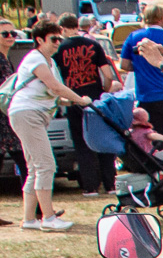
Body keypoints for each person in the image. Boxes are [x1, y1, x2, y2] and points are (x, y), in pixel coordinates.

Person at [8, 22, 93, 231]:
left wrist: (70, 101)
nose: (58, 43)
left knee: (35, 168)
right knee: (47, 165)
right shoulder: (35, 58)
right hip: (27, 114)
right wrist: (79, 99)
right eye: (54, 39)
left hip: (33, 114)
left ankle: (29, 219)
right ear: (39, 40)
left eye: (59, 38)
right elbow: (55, 86)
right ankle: (48, 217)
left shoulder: (50, 62)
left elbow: (53, 95)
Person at [55, 14, 121, 198]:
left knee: (82, 143)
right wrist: (103, 91)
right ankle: (110, 184)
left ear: (63, 29)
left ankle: (90, 187)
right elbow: (107, 74)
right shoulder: (94, 45)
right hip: (95, 98)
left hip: (74, 99)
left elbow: (57, 77)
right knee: (103, 140)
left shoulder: (60, 48)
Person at [121, 5, 163, 150]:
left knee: (154, 138)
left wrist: (140, 67)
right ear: (159, 18)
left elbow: (124, 65)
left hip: (147, 98)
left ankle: (160, 168)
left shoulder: (133, 37)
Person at [0, 19, 23, 225]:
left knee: (24, 161)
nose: (10, 37)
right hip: (3, 121)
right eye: (5, 34)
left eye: (12, 33)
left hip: (8, 119)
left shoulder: (7, 60)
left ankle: (36, 210)